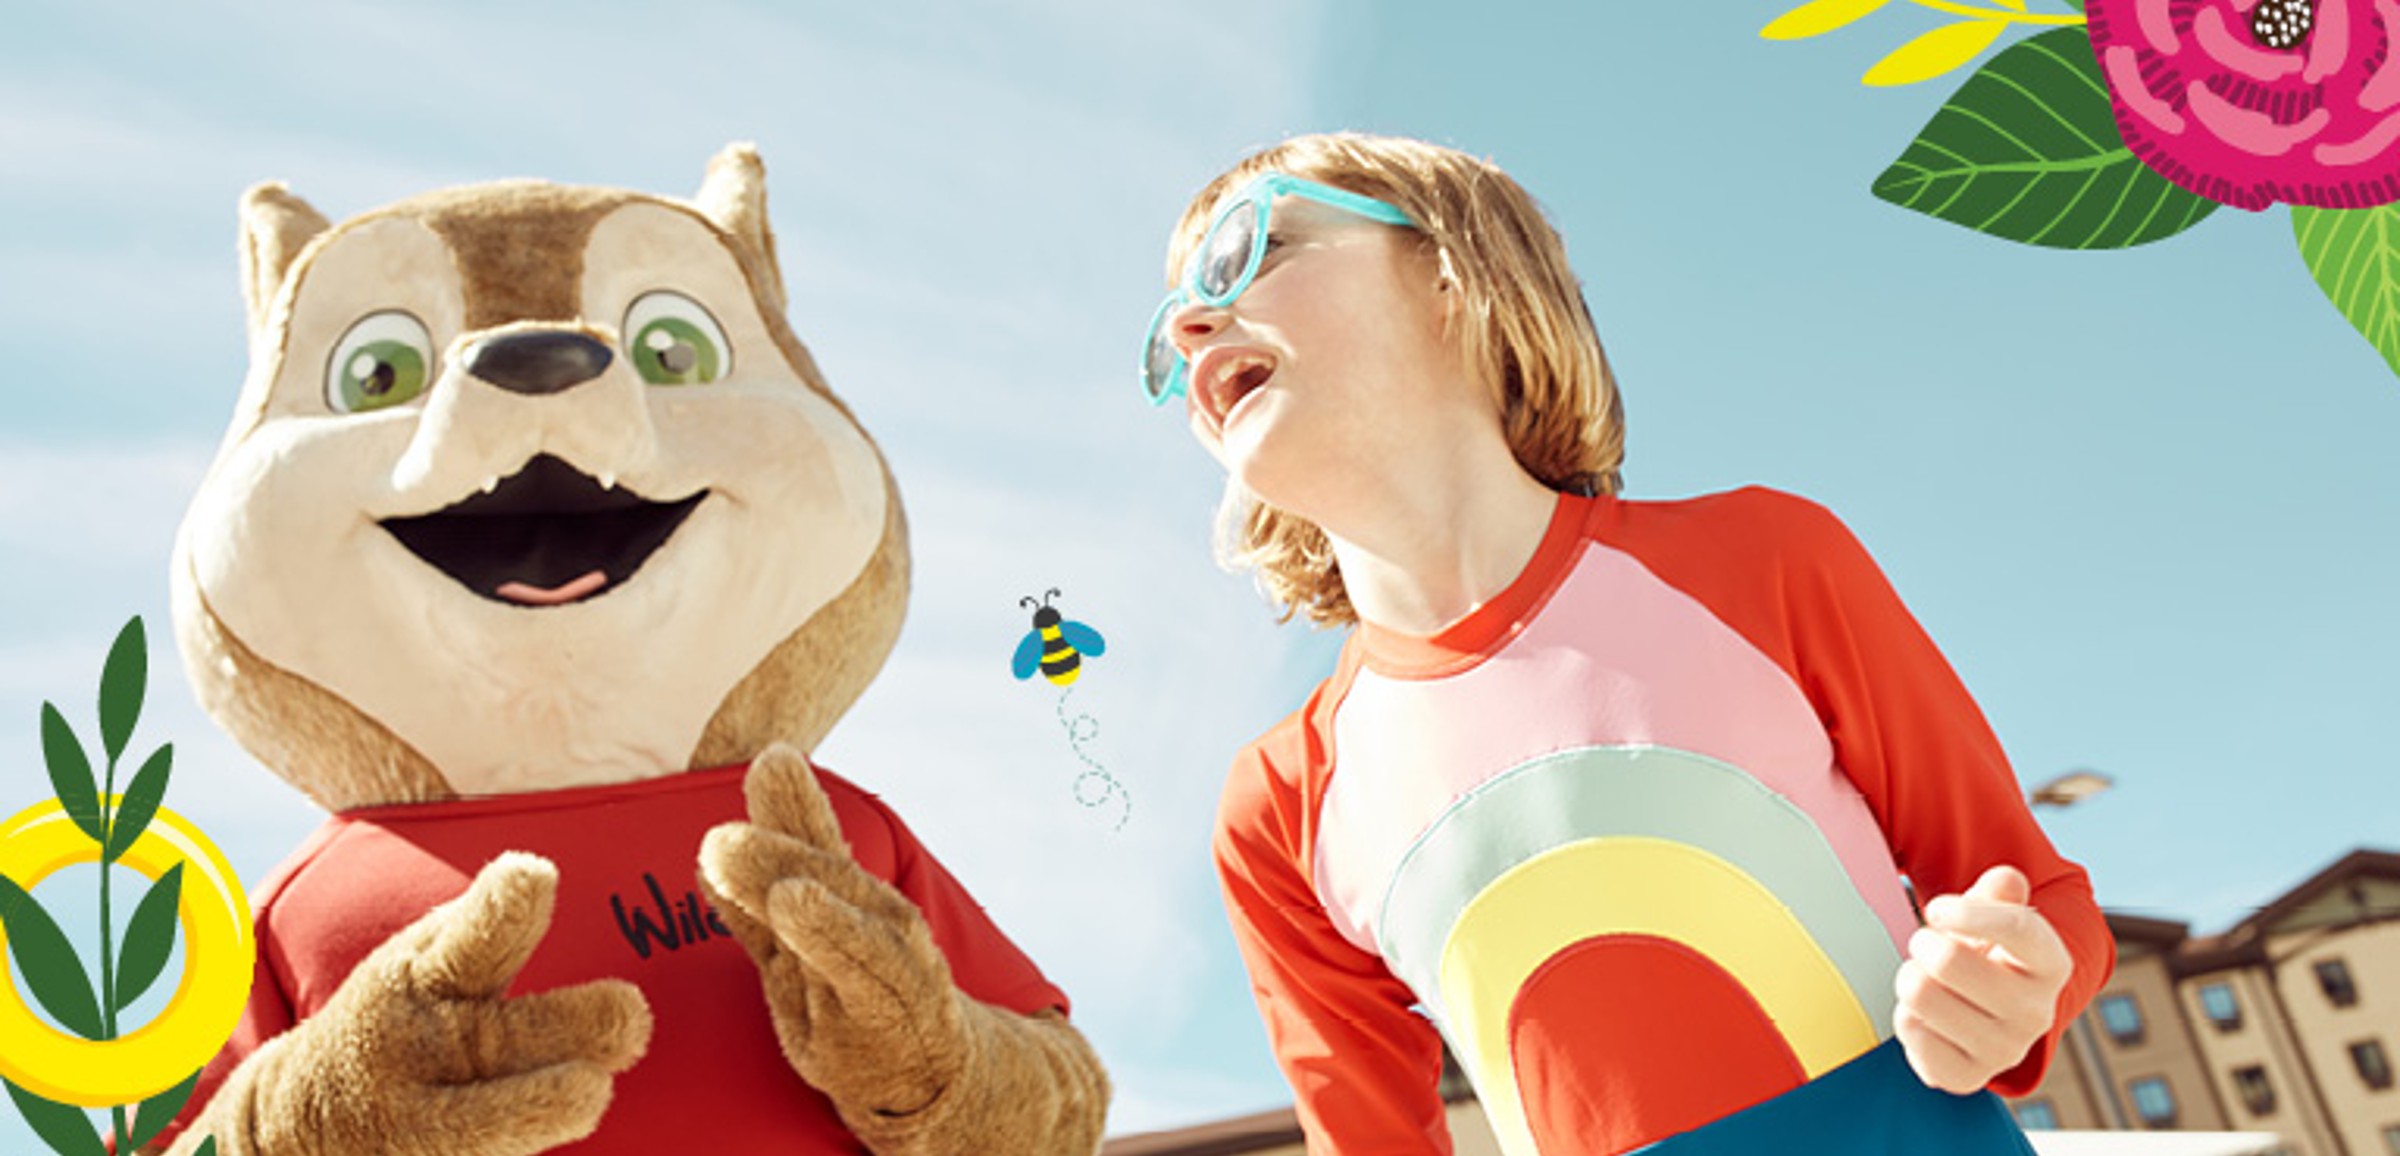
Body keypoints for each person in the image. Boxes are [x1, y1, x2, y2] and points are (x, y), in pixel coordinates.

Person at [1139, 132, 2112, 1156]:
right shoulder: (1278, 806)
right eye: (1170, 335)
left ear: (1449, 274)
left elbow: (2038, 894)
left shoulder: (1766, 561)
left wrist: (2012, 985)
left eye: (1252, 249)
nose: (1197, 325)